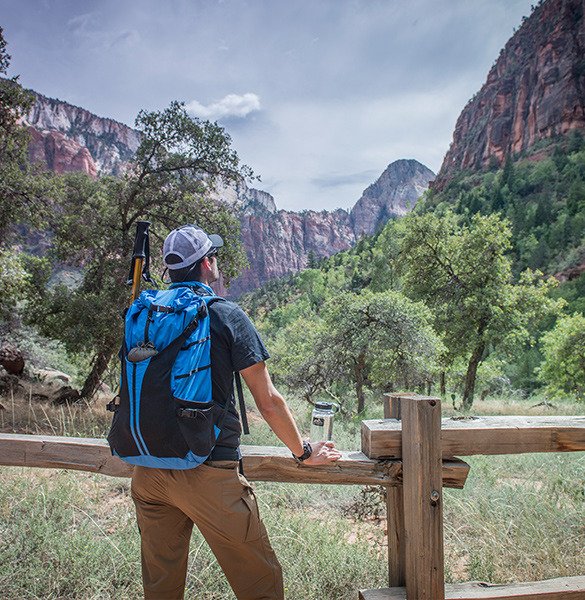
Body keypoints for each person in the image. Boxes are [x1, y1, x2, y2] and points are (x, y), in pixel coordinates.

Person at [130, 224, 342, 600]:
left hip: (148, 472)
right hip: (208, 474)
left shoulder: (146, 311)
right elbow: (269, 401)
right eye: (214, 256)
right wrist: (303, 452)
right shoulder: (225, 314)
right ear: (207, 264)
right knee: (261, 585)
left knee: (160, 589)